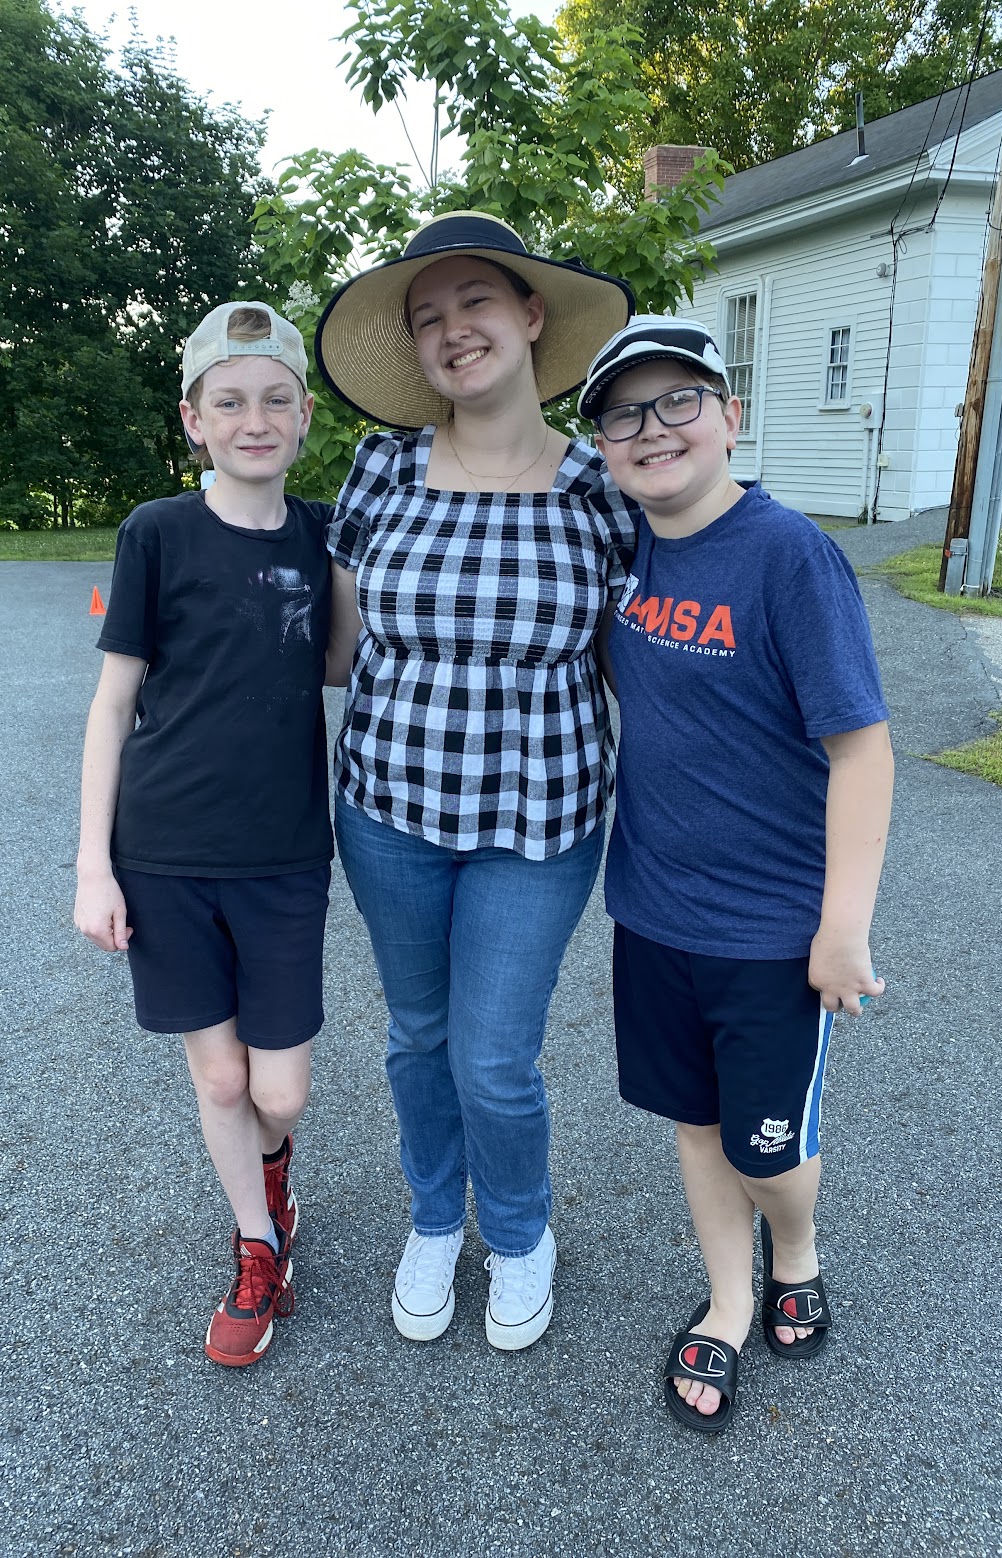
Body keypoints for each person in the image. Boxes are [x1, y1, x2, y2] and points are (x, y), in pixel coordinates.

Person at [314, 211, 638, 1351]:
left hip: (539, 823)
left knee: (492, 1056)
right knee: (417, 1035)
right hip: (388, 813)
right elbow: (336, 651)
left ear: (533, 315)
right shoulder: (383, 465)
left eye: (477, 302)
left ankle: (517, 1228)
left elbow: (637, 669)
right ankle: (433, 1218)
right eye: (428, 316)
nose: (454, 329)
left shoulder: (601, 485)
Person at [579, 316, 894, 1432]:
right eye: (625, 414)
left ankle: (794, 1248)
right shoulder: (622, 547)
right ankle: (727, 1296)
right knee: (696, 1121)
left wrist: (842, 926)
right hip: (654, 911)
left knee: (769, 1147)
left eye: (680, 401)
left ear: (730, 417)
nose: (653, 428)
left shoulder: (788, 556)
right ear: (603, 446)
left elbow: (861, 750)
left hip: (770, 928)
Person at [73, 302, 350, 1367]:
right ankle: (256, 1243)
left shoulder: (324, 531)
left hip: (283, 855)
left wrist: (349, 564)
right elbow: (113, 704)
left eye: (275, 400)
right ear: (193, 420)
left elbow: (336, 663)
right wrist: (93, 866)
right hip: (164, 851)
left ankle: (275, 1176)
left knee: (280, 1090)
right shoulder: (156, 532)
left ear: (304, 415)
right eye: (228, 402)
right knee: (221, 1080)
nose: (254, 420)